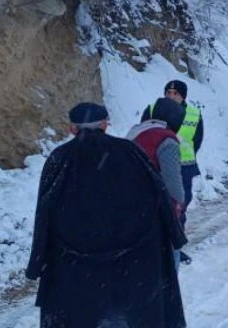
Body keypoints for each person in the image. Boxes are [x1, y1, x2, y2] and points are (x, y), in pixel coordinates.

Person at [26, 102, 187, 328]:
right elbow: (158, 195)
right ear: (104, 124)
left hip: (76, 269)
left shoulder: (59, 159)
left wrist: (38, 261)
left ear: (72, 128)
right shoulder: (130, 152)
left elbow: (44, 213)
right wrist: (174, 233)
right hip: (134, 265)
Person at [142, 80, 203, 264]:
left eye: (176, 93)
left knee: (179, 207)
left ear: (183, 96)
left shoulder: (193, 114)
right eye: (168, 92)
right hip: (155, 166)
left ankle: (176, 244)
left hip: (183, 167)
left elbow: (197, 140)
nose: (171, 96)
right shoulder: (152, 109)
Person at [127, 97, 186, 270]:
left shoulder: (136, 132)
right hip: (157, 205)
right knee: (169, 255)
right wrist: (178, 204)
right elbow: (172, 182)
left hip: (133, 204)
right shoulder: (166, 139)